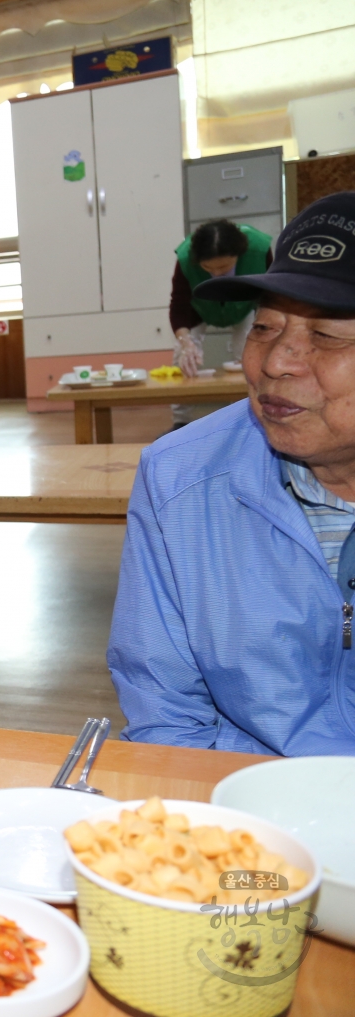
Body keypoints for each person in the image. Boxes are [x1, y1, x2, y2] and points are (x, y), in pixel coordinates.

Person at [108, 191, 355, 755]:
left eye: (324, 336)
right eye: (265, 327)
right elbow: (164, 710)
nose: (273, 362)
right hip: (246, 803)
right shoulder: (179, 478)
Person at [169, 219, 274, 425]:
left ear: (239, 255)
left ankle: (252, 418)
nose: (216, 274)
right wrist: (186, 342)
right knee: (182, 356)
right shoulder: (185, 258)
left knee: (250, 354)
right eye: (208, 268)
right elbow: (179, 305)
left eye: (224, 267)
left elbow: (272, 295)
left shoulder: (259, 249)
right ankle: (179, 422)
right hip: (199, 309)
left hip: (245, 306)